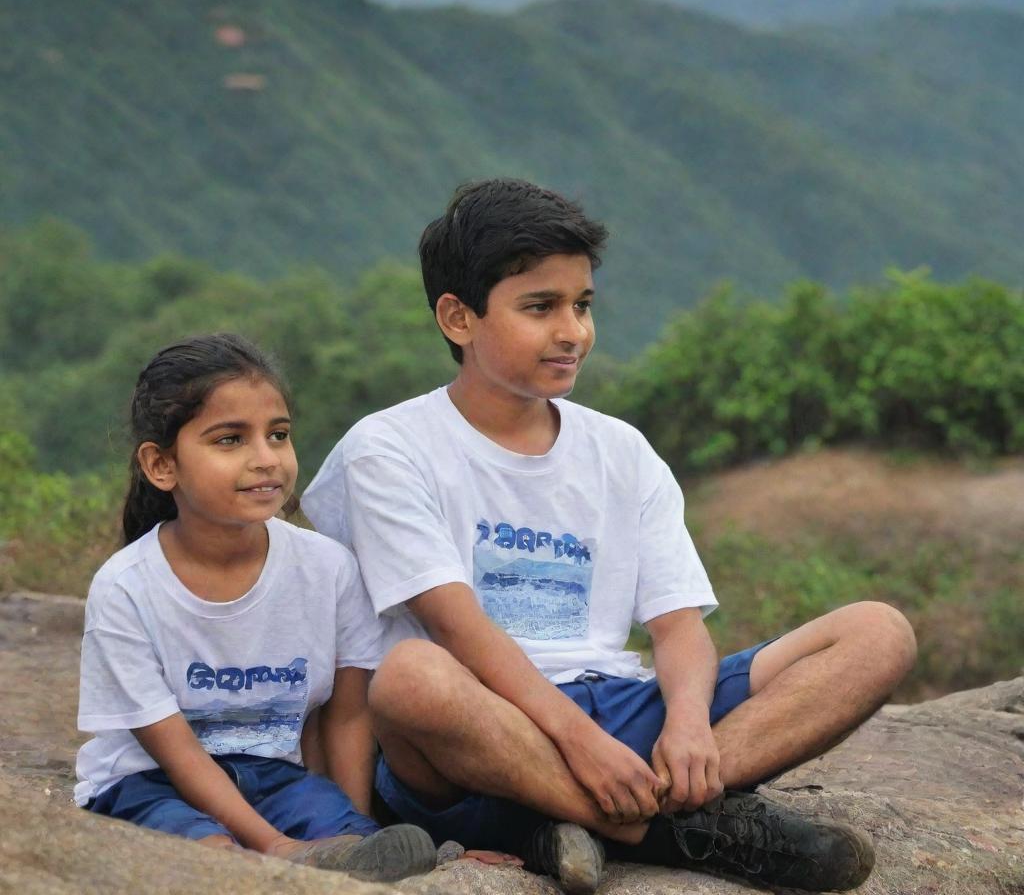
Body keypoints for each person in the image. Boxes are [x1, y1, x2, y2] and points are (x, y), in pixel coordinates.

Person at [303, 180, 918, 893]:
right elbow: (456, 627)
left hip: (623, 711)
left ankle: (615, 812)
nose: (573, 331)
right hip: (483, 733)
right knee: (411, 677)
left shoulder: (620, 450)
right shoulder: (390, 449)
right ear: (457, 317)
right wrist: (578, 741)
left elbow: (678, 626)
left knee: (879, 631)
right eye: (540, 307)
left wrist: (688, 726)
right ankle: (677, 830)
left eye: (583, 305)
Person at [74, 333, 436, 883]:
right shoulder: (127, 589)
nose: (266, 459)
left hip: (276, 779)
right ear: (162, 465)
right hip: (150, 780)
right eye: (230, 440)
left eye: (279, 435)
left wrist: (353, 830)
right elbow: (177, 752)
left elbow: (347, 714)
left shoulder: (329, 569)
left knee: (345, 833)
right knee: (210, 850)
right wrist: (276, 846)